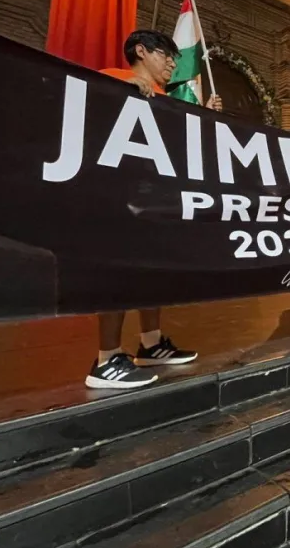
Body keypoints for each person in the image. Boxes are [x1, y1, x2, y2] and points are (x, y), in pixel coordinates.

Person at [88, 30, 223, 390]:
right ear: (141, 51)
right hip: (119, 195)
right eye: (166, 55)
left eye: (175, 58)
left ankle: (151, 345)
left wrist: (203, 118)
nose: (173, 64)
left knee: (152, 275)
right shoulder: (110, 79)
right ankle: (106, 359)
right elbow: (84, 108)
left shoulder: (167, 100)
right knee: (118, 276)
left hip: (157, 198)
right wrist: (121, 88)